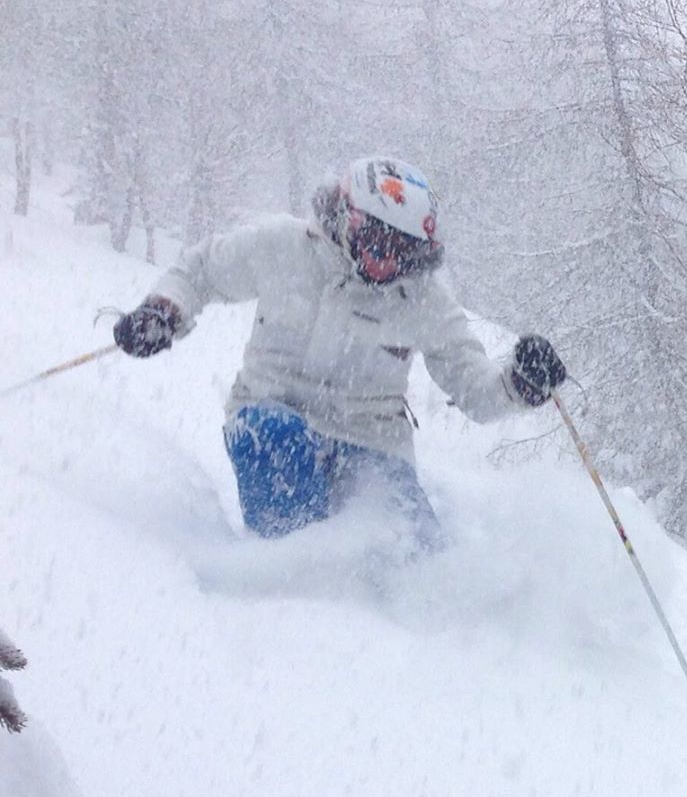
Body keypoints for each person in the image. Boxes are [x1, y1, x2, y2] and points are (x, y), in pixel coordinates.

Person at [114, 157, 566, 548]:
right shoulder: (284, 247)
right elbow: (201, 270)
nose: (386, 262)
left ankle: (424, 629)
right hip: (269, 413)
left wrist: (519, 386)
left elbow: (473, 387)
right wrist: (163, 312)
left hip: (369, 440)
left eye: (403, 251)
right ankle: (293, 580)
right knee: (275, 437)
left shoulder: (424, 300)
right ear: (348, 216)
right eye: (377, 242)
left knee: (409, 547)